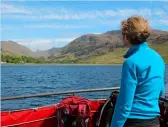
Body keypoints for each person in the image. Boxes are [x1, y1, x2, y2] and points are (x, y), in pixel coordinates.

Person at [110, 16, 165, 127]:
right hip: (154, 121)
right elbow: (161, 91)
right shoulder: (158, 58)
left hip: (134, 121)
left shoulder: (130, 63)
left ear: (127, 36)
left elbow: (125, 103)